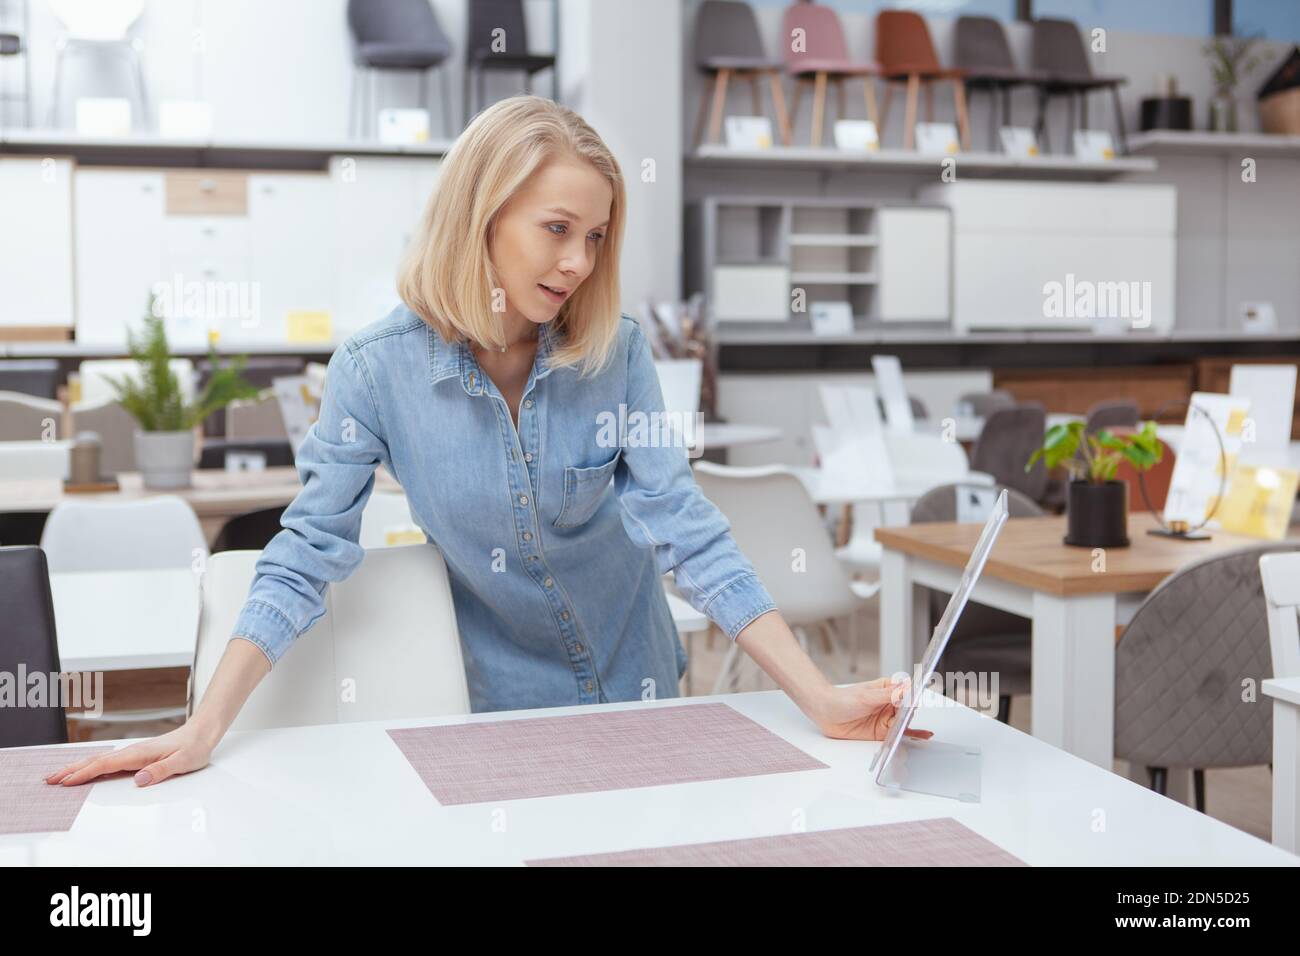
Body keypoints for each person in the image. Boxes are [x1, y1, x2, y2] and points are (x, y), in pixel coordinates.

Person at [48, 96, 926, 790]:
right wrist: (203, 727)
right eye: (557, 229)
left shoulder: (614, 352)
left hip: (646, 688)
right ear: (481, 215)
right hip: (501, 709)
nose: (580, 261)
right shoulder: (373, 371)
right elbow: (306, 550)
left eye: (594, 236)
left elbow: (684, 527)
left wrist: (816, 697)